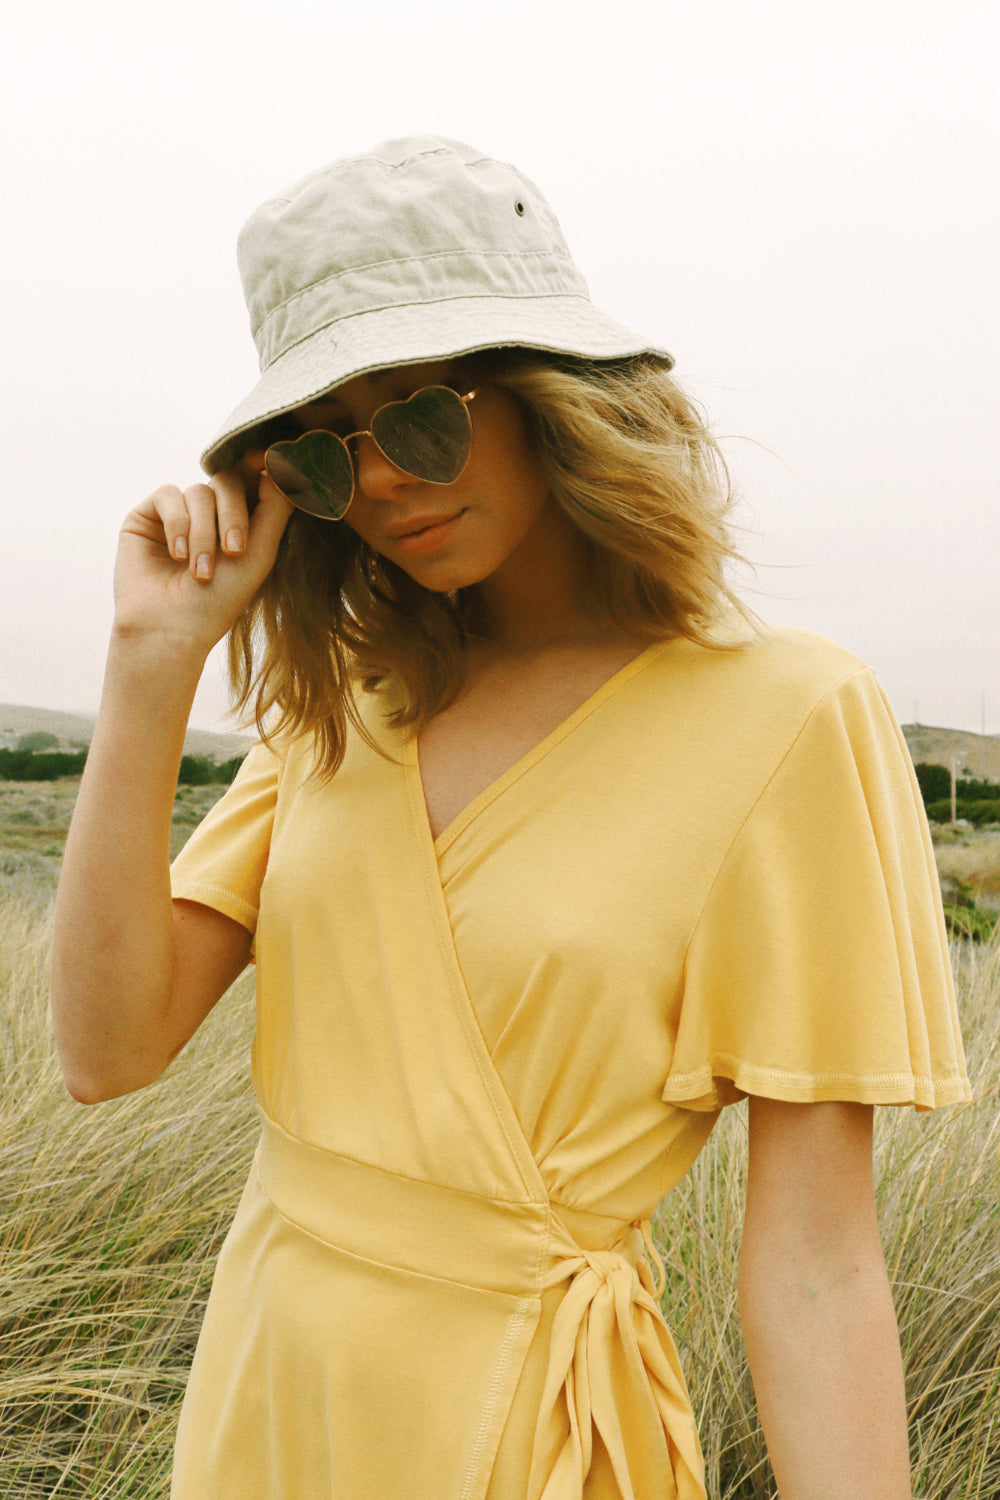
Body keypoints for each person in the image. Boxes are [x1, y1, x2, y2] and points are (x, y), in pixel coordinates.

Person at [51, 136, 971, 1500]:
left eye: (422, 414)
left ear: (555, 399)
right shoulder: (341, 713)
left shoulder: (790, 716)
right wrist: (149, 666)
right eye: (318, 449)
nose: (377, 480)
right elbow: (106, 1051)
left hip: (530, 1426)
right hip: (267, 1400)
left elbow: (822, 1264)